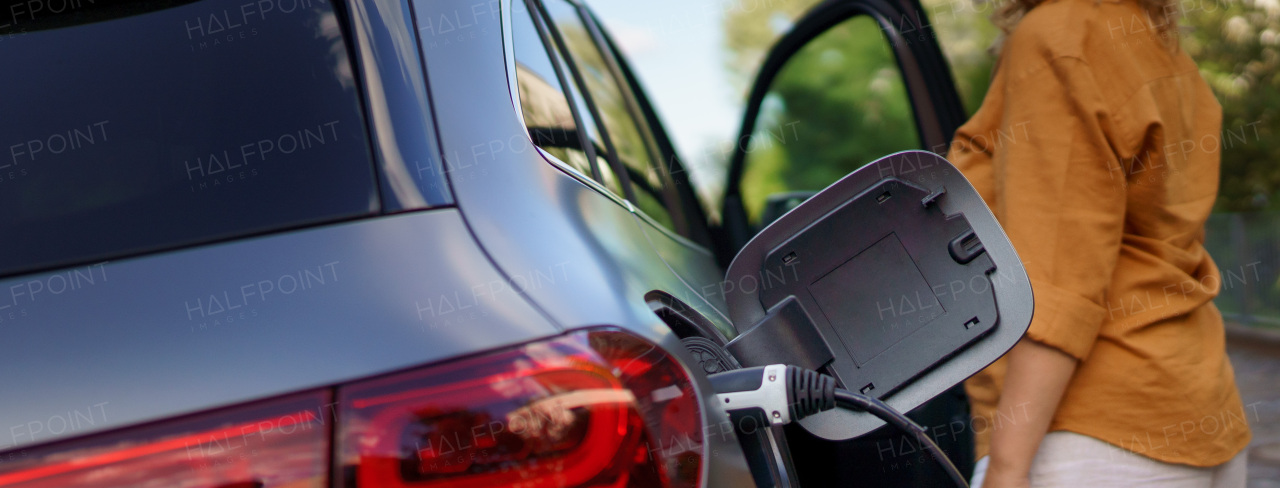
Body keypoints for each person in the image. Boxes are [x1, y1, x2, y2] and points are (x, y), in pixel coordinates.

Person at [945, 0, 1253, 486]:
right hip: (1202, 411)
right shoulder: (1152, 37)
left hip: (1087, 437)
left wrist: (1007, 468)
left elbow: (1059, 283)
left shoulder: (1060, 34)